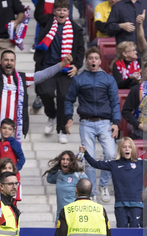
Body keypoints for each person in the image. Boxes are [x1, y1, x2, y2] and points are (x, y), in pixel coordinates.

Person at [0, 46, 73, 143]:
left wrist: (62, 64)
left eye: (12, 60)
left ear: (15, 62)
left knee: (10, 163)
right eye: (6, 60)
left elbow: (44, 74)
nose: (9, 63)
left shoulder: (22, 78)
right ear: (0, 61)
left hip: (13, 130)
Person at [64, 47, 120, 201]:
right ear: (86, 61)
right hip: (86, 123)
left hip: (105, 122)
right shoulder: (79, 79)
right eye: (90, 58)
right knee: (88, 159)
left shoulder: (108, 79)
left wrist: (116, 122)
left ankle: (103, 185)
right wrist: (69, 118)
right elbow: (69, 99)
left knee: (110, 154)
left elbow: (115, 103)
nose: (93, 61)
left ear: (100, 61)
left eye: (96, 58)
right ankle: (92, 192)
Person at [33, 0, 85, 142]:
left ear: (68, 12)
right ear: (54, 12)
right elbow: (38, 15)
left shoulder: (75, 28)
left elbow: (80, 50)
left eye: (64, 10)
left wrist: (77, 66)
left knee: (64, 98)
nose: (62, 13)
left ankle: (61, 130)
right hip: (47, 67)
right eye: (59, 10)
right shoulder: (47, 22)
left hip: (66, 70)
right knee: (44, 92)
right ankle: (51, 115)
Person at [44, 150, 88, 225]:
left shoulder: (78, 175)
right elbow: (49, 179)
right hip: (60, 216)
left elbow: (89, 190)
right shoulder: (59, 175)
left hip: (74, 216)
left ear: (72, 162)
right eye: (63, 159)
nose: (65, 162)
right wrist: (57, 166)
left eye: (68, 160)